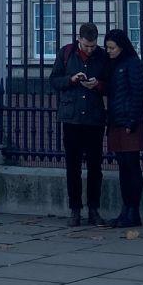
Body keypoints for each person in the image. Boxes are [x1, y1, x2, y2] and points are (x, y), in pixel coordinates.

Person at [49, 22, 110, 227]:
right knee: (72, 166)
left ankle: (94, 209)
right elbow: (54, 81)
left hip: (94, 118)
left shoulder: (102, 56)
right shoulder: (66, 53)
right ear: (79, 40)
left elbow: (110, 85)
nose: (89, 50)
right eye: (86, 46)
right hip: (71, 117)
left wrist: (98, 85)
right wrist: (71, 79)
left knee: (95, 167)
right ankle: (75, 210)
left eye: (92, 46)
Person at [103, 28, 143, 228]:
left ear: (122, 47)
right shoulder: (113, 65)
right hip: (115, 121)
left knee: (132, 167)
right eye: (107, 48)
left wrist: (132, 121)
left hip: (129, 123)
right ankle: (125, 209)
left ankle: (133, 211)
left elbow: (137, 94)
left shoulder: (133, 64)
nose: (109, 51)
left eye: (112, 48)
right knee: (122, 168)